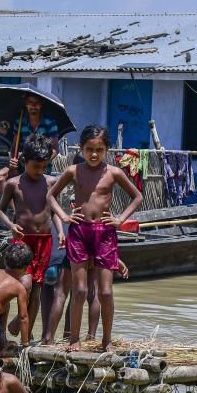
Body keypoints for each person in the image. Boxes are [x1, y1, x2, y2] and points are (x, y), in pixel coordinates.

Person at [50, 126, 142, 351]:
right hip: (79, 231)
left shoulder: (114, 173)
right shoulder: (73, 170)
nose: (93, 154)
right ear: (81, 148)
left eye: (99, 150)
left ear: (106, 150)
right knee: (79, 290)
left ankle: (106, 339)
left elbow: (137, 197)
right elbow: (50, 196)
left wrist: (120, 219)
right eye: (89, 149)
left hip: (105, 233)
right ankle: (74, 339)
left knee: (105, 291)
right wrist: (64, 216)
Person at [0, 140, 66, 341]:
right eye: (36, 166)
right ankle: (7, 326)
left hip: (44, 240)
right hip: (22, 241)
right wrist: (11, 225)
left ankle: (26, 337)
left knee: (36, 290)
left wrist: (60, 231)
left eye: (43, 167)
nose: (40, 171)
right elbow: (1, 210)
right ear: (24, 162)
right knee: (22, 285)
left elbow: (53, 212)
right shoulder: (13, 183)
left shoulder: (51, 182)